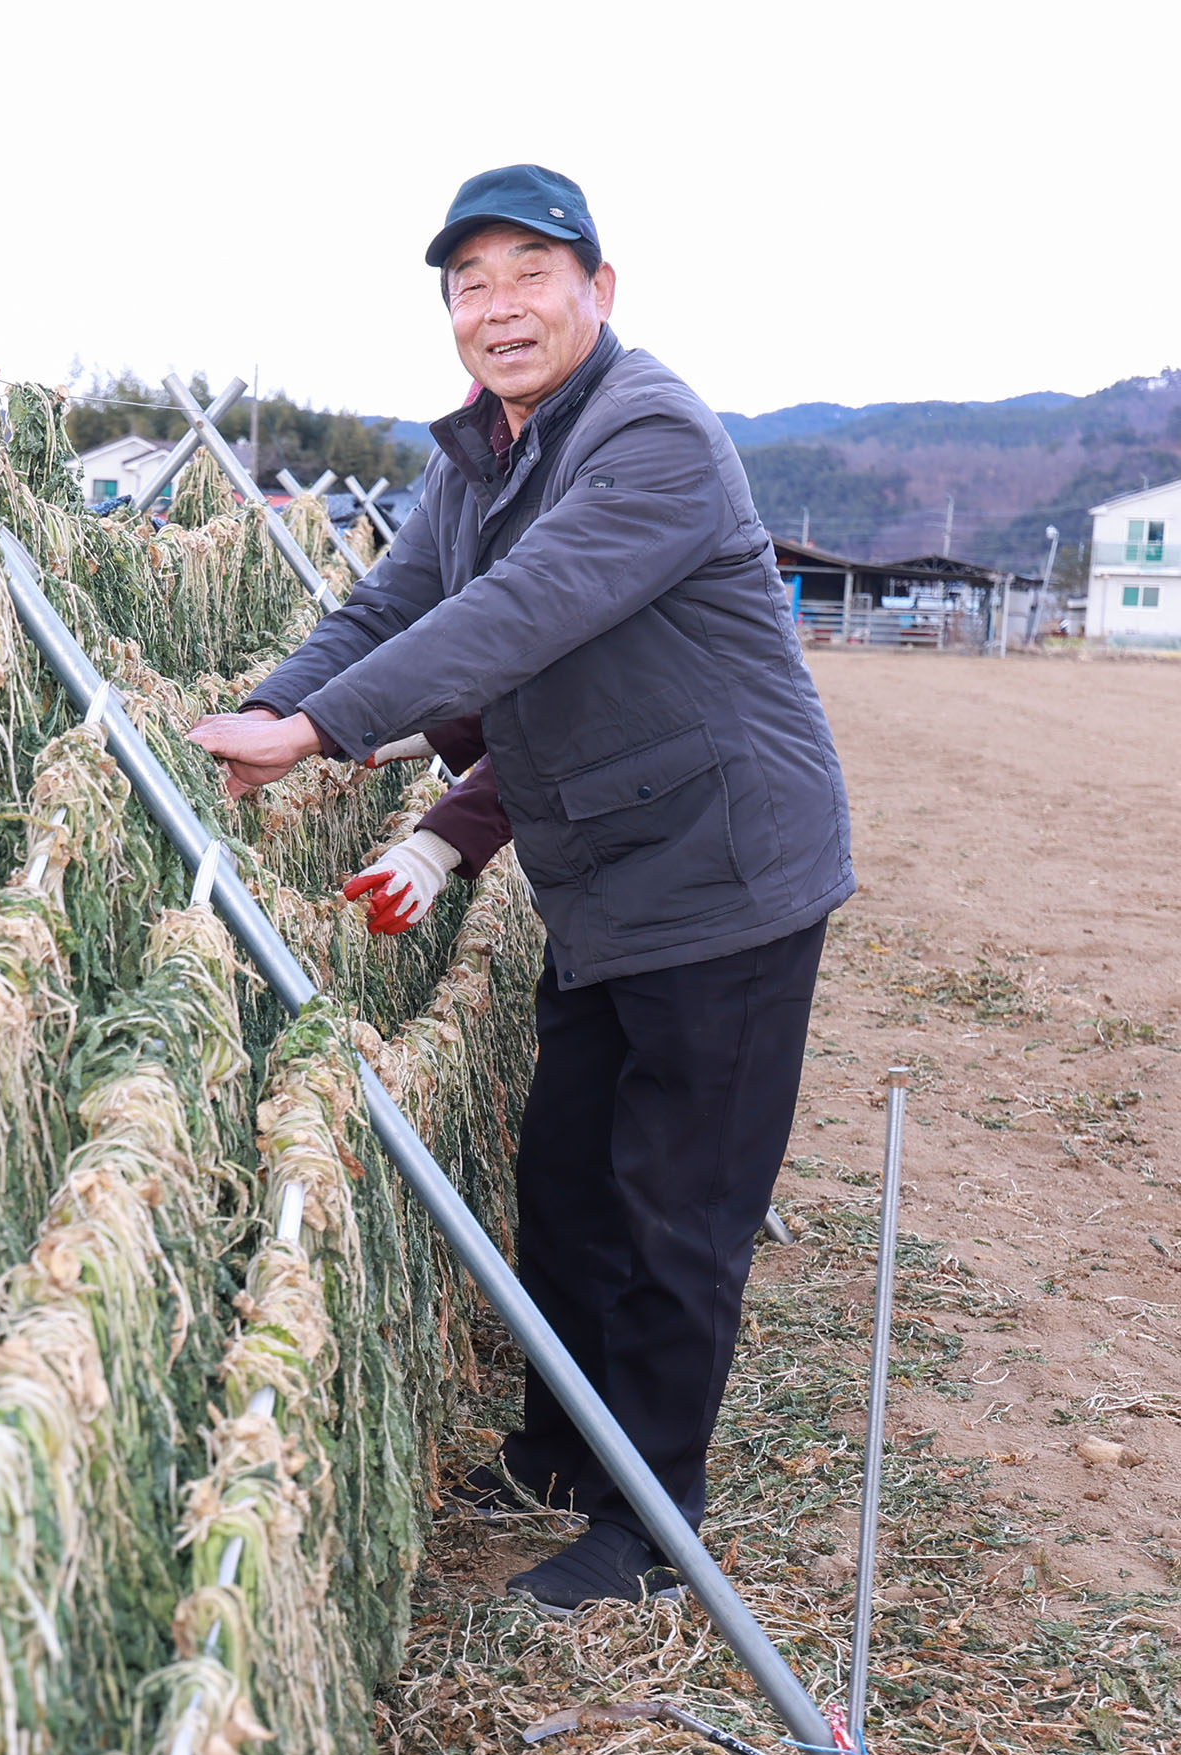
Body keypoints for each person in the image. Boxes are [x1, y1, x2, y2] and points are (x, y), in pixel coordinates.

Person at [182, 164, 855, 1611]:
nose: (498, 307)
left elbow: (517, 611)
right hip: (604, 873)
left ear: (599, 292)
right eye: (468, 283)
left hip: (726, 875)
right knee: (567, 1182)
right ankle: (561, 1447)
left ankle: (650, 1526)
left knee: (681, 1211)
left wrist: (321, 732)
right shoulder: (481, 453)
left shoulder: (652, 431)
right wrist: (266, 706)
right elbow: (393, 600)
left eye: (528, 274)